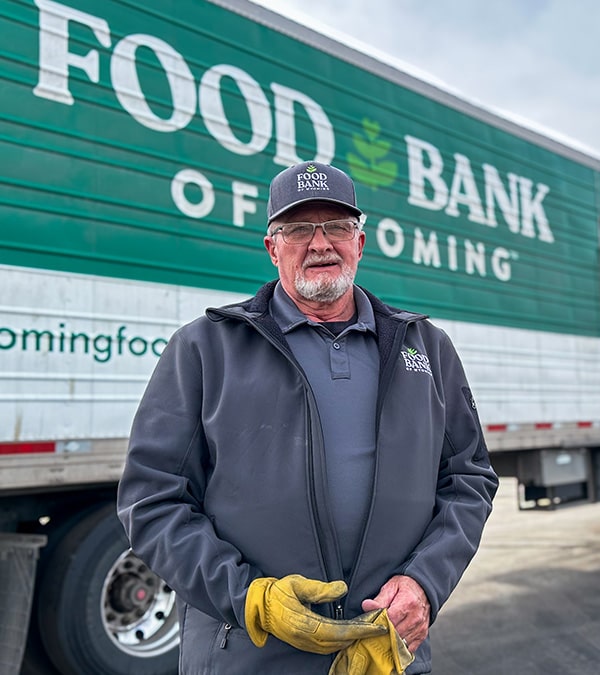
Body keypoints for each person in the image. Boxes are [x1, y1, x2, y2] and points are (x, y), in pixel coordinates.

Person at [117, 161, 499, 674]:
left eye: (337, 227)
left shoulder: (425, 347)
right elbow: (152, 498)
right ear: (273, 248)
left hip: (384, 653)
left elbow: (468, 478)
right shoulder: (205, 349)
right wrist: (249, 598)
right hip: (248, 658)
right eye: (298, 229)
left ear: (359, 243)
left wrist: (424, 584)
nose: (320, 243)